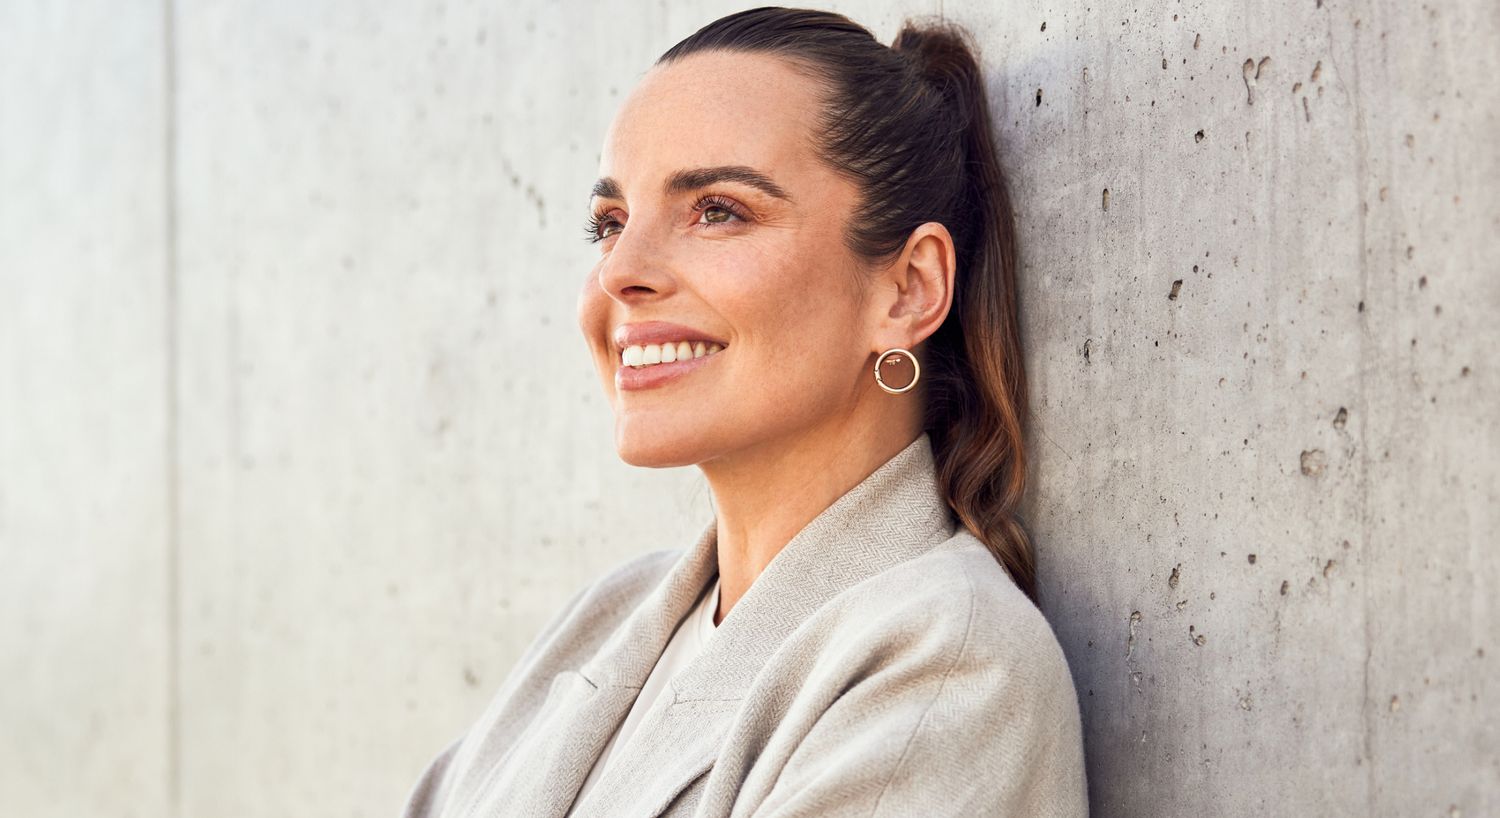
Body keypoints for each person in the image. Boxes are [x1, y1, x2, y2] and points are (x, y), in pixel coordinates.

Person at [402, 6, 1087, 816]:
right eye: (610, 222)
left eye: (716, 209)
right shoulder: (611, 620)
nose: (622, 270)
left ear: (907, 289)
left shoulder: (945, 667)